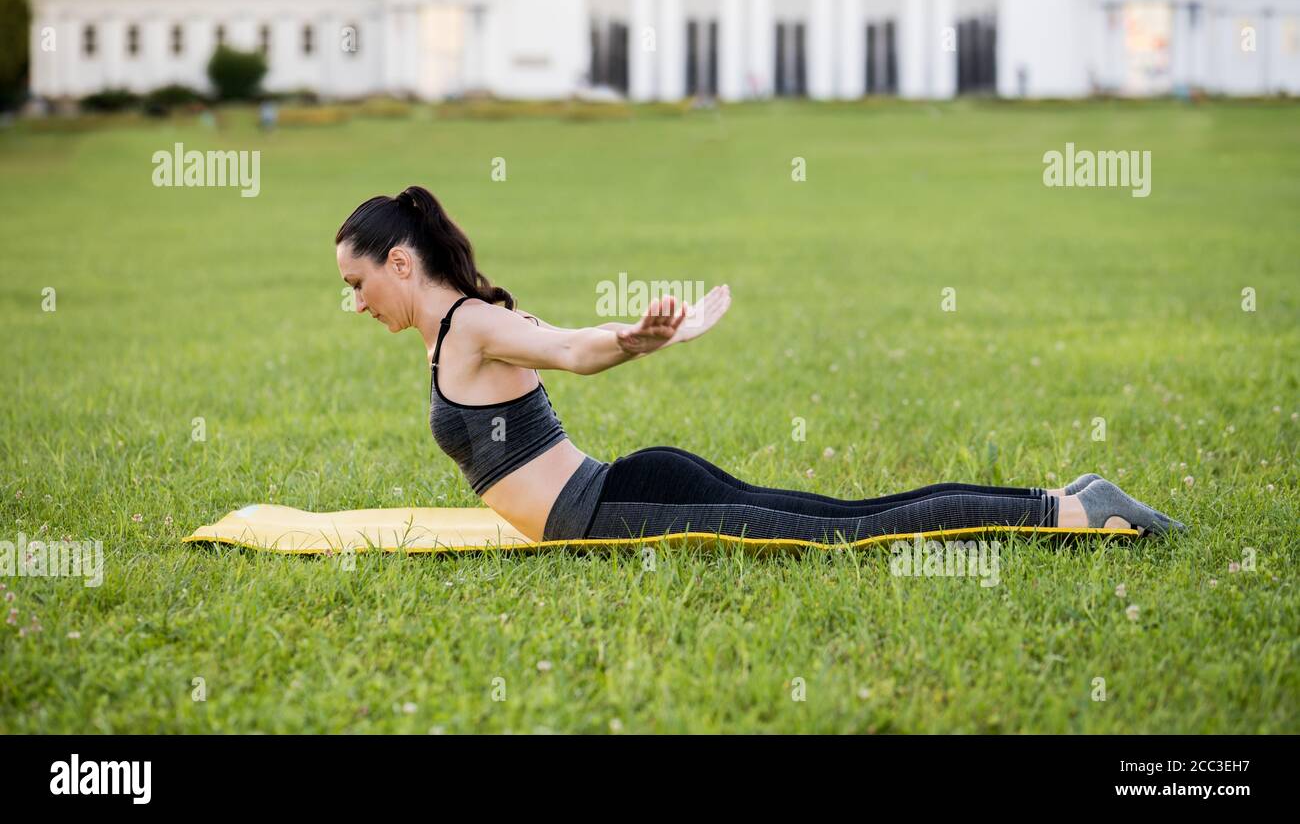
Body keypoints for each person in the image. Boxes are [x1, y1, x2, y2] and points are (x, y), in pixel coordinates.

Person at [335, 185, 1187, 545]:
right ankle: (1068, 499)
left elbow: (566, 347)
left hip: (620, 503)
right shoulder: (453, 331)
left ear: (401, 263)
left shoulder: (473, 323)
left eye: (358, 281)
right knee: (844, 513)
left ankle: (1069, 514)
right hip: (632, 486)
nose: (356, 299)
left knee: (843, 532)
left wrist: (632, 341)